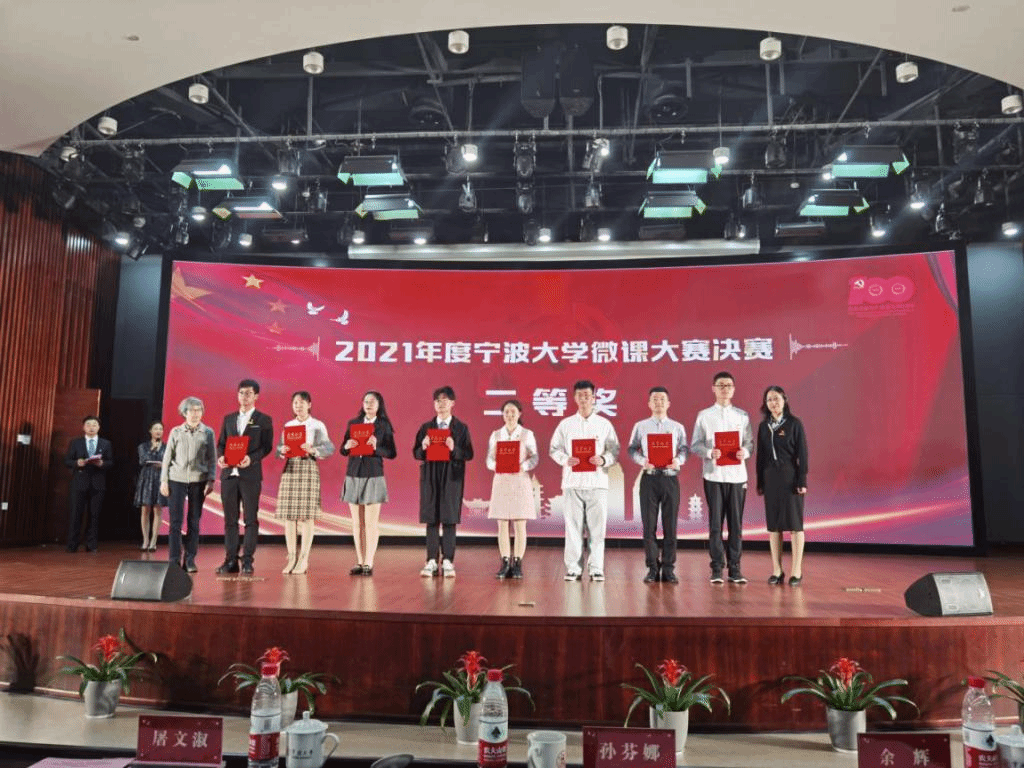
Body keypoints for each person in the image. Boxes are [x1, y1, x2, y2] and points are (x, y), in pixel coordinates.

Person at [549, 380, 620, 582]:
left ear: (594, 398)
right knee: (572, 528)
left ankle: (596, 568)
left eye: (587, 395)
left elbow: (614, 451)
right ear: (574, 398)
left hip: (597, 483)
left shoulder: (604, 424)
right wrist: (565, 459)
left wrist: (603, 459)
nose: (583, 399)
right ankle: (573, 568)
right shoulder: (566, 424)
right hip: (572, 483)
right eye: (580, 395)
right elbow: (554, 449)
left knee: (598, 530)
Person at [691, 371, 754, 585]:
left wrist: (744, 452)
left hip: (737, 476)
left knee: (736, 524)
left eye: (728, 385)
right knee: (715, 524)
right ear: (714, 388)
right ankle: (717, 568)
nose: (725, 389)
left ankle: (735, 568)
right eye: (721, 385)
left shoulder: (742, 416)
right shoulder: (704, 415)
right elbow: (695, 444)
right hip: (713, 475)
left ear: (734, 389)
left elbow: (749, 443)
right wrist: (710, 453)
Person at [627, 386, 688, 584]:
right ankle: (652, 568)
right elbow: (631, 449)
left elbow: (684, 449)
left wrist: (678, 460)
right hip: (649, 478)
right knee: (649, 525)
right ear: (649, 403)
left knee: (671, 526)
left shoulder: (677, 427)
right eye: (655, 399)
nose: (659, 402)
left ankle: (669, 569)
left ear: (668, 403)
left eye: (662, 399)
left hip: (670, 478)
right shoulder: (641, 426)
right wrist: (642, 460)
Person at [412, 386, 474, 578]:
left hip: (451, 477)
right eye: (438, 400)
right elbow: (416, 453)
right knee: (431, 518)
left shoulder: (461, 428)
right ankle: (431, 560)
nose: (441, 404)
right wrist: (423, 448)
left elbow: (468, 454)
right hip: (430, 476)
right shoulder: (426, 427)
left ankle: (448, 560)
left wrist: (454, 448)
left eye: (445, 400)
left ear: (452, 403)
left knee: (449, 518)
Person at [216, 379, 274, 575]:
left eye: (248, 393)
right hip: (229, 475)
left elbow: (266, 447)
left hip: (250, 475)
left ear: (256, 396)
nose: (244, 397)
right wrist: (221, 457)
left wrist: (252, 458)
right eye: (241, 393)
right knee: (230, 521)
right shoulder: (229, 418)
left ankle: (247, 560)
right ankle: (230, 560)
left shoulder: (263, 420)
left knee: (250, 520)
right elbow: (221, 444)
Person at [276, 390, 335, 575]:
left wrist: (313, 449)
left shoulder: (317, 425)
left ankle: (304, 559)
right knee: (289, 516)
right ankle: (291, 557)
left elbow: (329, 447)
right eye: (295, 403)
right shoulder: (289, 425)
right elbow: (279, 448)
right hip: (291, 468)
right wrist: (282, 450)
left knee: (307, 516)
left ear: (309, 404)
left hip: (308, 466)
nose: (298, 406)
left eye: (302, 402)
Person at [756, 385, 809, 587]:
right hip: (771, 479)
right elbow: (761, 457)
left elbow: (803, 454)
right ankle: (777, 570)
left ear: (784, 400)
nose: (773, 403)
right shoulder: (764, 426)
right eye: (769, 399)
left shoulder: (794, 423)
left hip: (790, 478)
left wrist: (801, 480)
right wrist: (760, 481)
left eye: (776, 398)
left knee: (795, 525)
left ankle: (796, 571)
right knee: (774, 527)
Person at [340, 390, 396, 577]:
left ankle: (369, 562)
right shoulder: (353, 423)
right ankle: (359, 560)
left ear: (379, 405)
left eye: (372, 401)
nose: (368, 404)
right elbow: (343, 449)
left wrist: (376, 447)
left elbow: (391, 452)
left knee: (371, 523)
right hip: (353, 474)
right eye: (366, 401)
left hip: (373, 475)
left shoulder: (383, 425)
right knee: (357, 523)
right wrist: (347, 447)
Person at [159, 398, 216, 573]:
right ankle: (174, 559)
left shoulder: (208, 432)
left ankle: (190, 560)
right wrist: (164, 481)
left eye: (199, 410)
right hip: (176, 479)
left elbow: (212, 458)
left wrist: (211, 480)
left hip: (199, 480)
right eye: (192, 410)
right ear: (184, 413)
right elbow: (167, 458)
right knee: (175, 522)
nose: (196, 414)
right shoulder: (176, 432)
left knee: (194, 521)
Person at [485, 399, 539, 579]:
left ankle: (518, 563)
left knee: (519, 523)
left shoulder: (527, 434)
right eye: (506, 412)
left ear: (519, 414)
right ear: (502, 414)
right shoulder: (496, 435)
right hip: (501, 480)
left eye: (513, 412)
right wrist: (496, 465)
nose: (509, 415)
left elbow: (534, 457)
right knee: (502, 523)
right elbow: (489, 459)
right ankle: (505, 562)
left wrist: (524, 466)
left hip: (520, 480)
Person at [64, 415, 114, 553]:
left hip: (98, 483)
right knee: (76, 514)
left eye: (94, 425)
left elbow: (111, 462)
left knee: (94, 515)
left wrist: (102, 463)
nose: (91, 427)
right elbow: (67, 461)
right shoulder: (76, 442)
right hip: (79, 482)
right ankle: (72, 544)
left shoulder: (106, 444)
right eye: (88, 425)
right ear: (83, 427)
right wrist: (76, 463)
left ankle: (91, 544)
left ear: (99, 427)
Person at [134, 421, 167, 551]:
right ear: (150, 431)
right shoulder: (143, 446)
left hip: (160, 478)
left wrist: (163, 465)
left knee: (158, 509)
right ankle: (145, 540)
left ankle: (154, 541)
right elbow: (143, 459)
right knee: (145, 510)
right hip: (146, 478)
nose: (158, 431)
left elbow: (170, 462)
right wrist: (154, 449)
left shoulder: (166, 447)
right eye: (156, 429)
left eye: (160, 429)